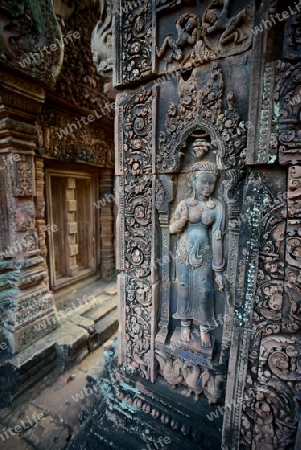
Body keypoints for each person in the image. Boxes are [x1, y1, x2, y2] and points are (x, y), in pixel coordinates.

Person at [169, 161, 225, 347]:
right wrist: (184, 218)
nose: (208, 187)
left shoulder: (216, 207)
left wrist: (218, 270)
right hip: (184, 253)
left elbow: (217, 238)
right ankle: (185, 325)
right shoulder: (185, 204)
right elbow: (171, 228)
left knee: (205, 292)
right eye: (204, 182)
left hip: (205, 254)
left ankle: (204, 329)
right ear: (193, 182)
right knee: (183, 288)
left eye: (211, 184)